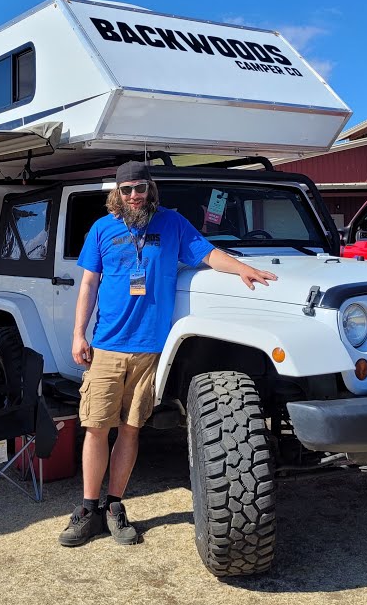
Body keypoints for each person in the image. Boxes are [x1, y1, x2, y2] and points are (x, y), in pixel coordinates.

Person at [59, 161, 278, 547]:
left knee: (130, 429)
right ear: (117, 192)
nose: (133, 195)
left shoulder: (172, 223)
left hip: (150, 350)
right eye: (126, 190)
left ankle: (114, 506)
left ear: (150, 188)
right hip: (108, 346)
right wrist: (79, 335)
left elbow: (207, 254)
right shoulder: (102, 228)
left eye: (139, 188)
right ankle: (87, 509)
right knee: (96, 427)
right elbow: (89, 283)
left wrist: (243, 268)